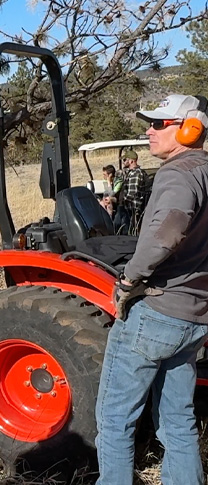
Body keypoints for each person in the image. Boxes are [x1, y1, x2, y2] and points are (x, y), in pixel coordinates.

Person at [95, 94, 208, 484]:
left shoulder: (178, 174)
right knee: (178, 423)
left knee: (113, 419)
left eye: (160, 124)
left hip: (157, 312)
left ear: (190, 128)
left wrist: (129, 278)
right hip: (195, 317)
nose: (149, 129)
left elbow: (167, 232)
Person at [114, 149, 150, 236]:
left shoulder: (136, 174)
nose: (123, 162)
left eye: (124, 160)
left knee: (125, 232)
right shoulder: (131, 173)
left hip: (131, 209)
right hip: (127, 208)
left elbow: (132, 195)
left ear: (131, 161)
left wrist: (116, 200)